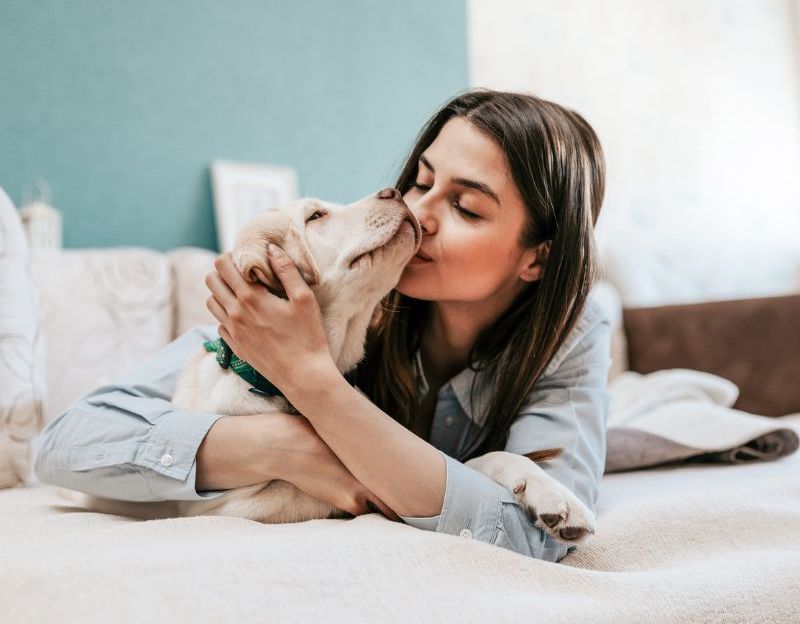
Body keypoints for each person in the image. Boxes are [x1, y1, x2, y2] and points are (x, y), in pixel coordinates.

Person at [33, 88, 612, 563]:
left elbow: (538, 537)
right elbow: (65, 443)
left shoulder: (571, 333)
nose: (419, 211)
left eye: (466, 207)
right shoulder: (336, 297)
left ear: (538, 258)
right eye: (422, 180)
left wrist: (313, 382)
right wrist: (285, 446)